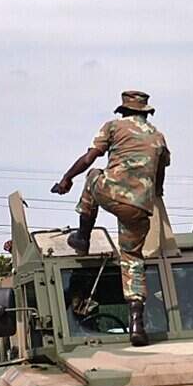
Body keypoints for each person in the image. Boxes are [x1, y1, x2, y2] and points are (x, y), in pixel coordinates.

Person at [51, 90, 170, 347]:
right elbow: (160, 176)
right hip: (139, 208)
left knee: (93, 174)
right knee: (132, 260)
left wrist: (66, 178)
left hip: (111, 192)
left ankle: (82, 237)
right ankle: (137, 322)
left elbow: (89, 158)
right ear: (146, 112)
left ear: (123, 111)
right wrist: (154, 196)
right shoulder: (158, 137)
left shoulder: (113, 127)